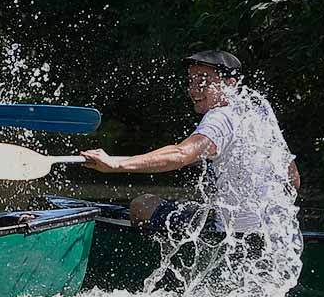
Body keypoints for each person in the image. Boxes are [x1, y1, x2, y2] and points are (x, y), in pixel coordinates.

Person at [78, 49, 302, 234]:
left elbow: (181, 154)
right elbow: (293, 180)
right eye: (191, 81)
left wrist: (115, 164)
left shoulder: (221, 116)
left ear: (230, 84)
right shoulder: (259, 111)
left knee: (142, 204)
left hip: (231, 234)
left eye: (203, 82)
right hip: (276, 233)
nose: (194, 90)